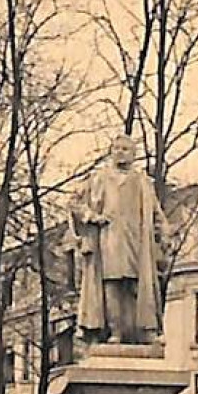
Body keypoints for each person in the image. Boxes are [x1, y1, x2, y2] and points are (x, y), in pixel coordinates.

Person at [71, 134, 167, 344]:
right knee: (112, 284)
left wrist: (163, 234)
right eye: (116, 148)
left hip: (137, 241)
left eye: (125, 149)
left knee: (137, 285)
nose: (120, 152)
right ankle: (115, 332)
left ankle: (143, 331)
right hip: (109, 240)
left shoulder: (142, 181)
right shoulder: (99, 178)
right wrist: (92, 217)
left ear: (134, 154)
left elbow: (156, 213)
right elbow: (75, 202)